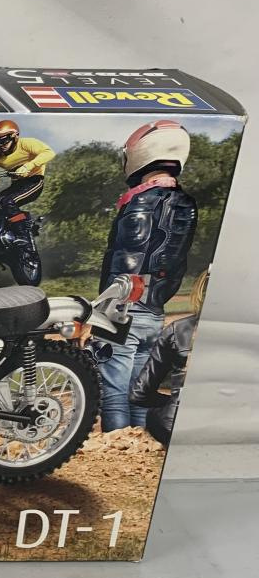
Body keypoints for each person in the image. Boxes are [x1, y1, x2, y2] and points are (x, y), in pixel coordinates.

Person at [99, 120, 197, 431]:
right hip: (155, 310)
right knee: (138, 392)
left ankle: (116, 447)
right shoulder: (186, 203)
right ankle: (136, 446)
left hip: (124, 307)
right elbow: (176, 263)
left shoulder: (139, 202)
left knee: (113, 392)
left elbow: (126, 261)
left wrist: (102, 310)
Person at [129, 272, 207, 446]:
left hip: (174, 427)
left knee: (157, 415)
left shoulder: (176, 329)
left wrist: (175, 401)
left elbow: (138, 394)